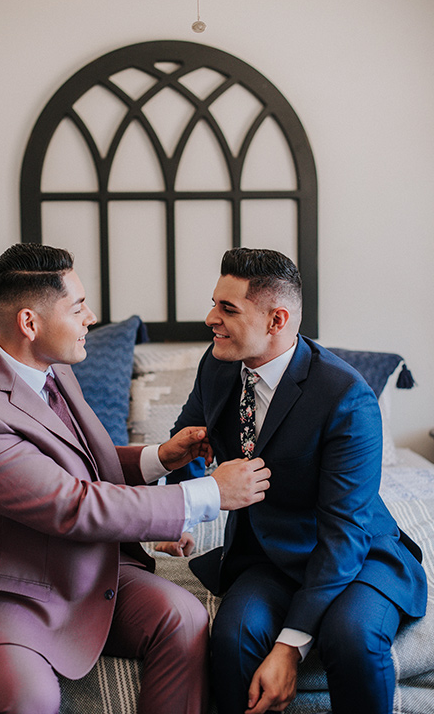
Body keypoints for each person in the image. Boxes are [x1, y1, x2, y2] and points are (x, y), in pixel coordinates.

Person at [0, 243, 271, 714]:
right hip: (7, 594)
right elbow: (72, 504)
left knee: (184, 617)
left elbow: (72, 464)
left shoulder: (54, 365)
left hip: (88, 568)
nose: (91, 317)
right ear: (29, 322)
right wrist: (210, 493)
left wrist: (160, 457)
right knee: (29, 699)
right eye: (78, 307)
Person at [167, 247, 427, 714]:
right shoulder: (218, 366)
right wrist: (176, 513)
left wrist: (289, 647)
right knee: (232, 636)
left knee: (351, 640)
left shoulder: (346, 397)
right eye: (214, 303)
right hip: (267, 554)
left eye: (228, 309)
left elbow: (345, 532)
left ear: (276, 319)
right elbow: (189, 438)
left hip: (356, 553)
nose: (210, 319)